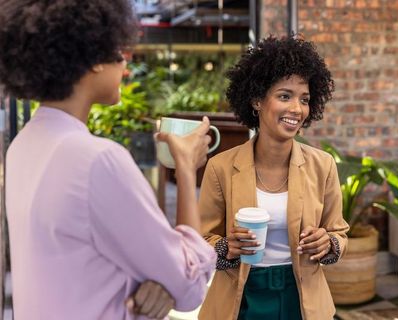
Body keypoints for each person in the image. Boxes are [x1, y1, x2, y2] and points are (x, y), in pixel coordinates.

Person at [0, 0, 216, 319]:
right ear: (96, 56)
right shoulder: (97, 161)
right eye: (120, 51)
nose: (125, 65)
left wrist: (149, 281)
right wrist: (185, 168)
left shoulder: (23, 145)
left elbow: (80, 261)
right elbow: (189, 287)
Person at [198, 35, 350, 320]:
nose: (297, 109)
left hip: (302, 299)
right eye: (284, 96)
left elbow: (339, 234)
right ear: (257, 100)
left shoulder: (323, 165)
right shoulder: (220, 167)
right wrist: (225, 247)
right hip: (241, 299)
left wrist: (327, 243)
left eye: (304, 99)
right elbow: (199, 241)